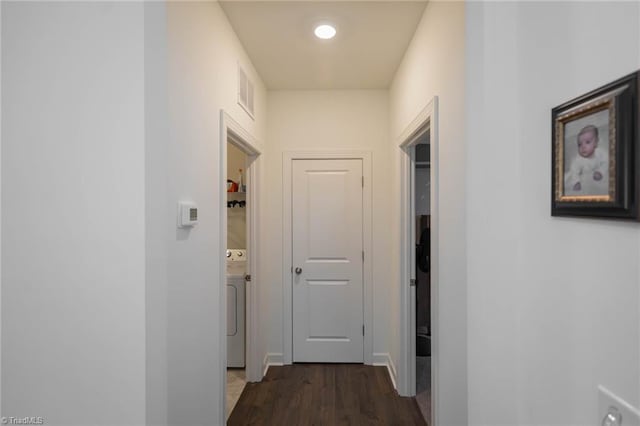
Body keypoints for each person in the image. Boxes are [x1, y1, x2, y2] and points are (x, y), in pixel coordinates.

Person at [564, 124, 608, 195]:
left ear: (596, 143)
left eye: (587, 142)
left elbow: (606, 162)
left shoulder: (600, 152)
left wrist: (600, 172)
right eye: (579, 144)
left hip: (594, 177)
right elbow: (574, 172)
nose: (583, 147)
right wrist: (576, 182)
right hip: (581, 176)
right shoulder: (578, 160)